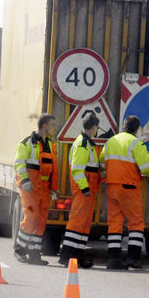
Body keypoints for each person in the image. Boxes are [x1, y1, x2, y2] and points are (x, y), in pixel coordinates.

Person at [99, 115, 149, 270]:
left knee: (115, 223)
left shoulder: (110, 142)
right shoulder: (136, 144)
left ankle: (113, 259)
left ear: (123, 126)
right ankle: (133, 259)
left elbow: (102, 164)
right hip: (129, 187)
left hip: (112, 187)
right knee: (136, 223)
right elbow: (146, 168)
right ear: (137, 129)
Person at [13, 113, 59, 265]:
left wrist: (54, 189)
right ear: (44, 126)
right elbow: (19, 164)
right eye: (52, 125)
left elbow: (54, 169)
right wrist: (25, 180)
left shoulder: (51, 146)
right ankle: (19, 249)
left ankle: (34, 254)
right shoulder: (26, 143)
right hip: (30, 188)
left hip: (44, 190)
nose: (54, 128)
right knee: (31, 218)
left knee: (41, 220)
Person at [58, 113, 101, 269]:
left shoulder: (88, 144)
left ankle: (78, 255)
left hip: (88, 189)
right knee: (77, 222)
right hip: (84, 190)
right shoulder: (83, 144)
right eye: (97, 127)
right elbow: (77, 170)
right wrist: (85, 188)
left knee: (84, 224)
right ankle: (66, 256)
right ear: (94, 127)